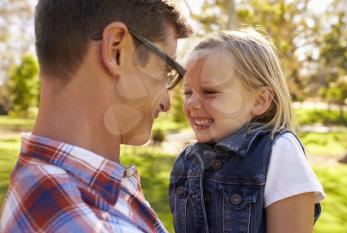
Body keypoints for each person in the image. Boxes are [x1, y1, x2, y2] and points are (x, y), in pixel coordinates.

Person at [0, 1, 192, 232]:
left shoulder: (37, 180)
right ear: (117, 50)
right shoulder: (92, 224)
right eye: (165, 70)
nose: (167, 103)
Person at [169, 28, 325, 233]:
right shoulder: (186, 162)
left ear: (260, 101)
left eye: (210, 92)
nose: (192, 104)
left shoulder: (279, 152)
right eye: (188, 92)